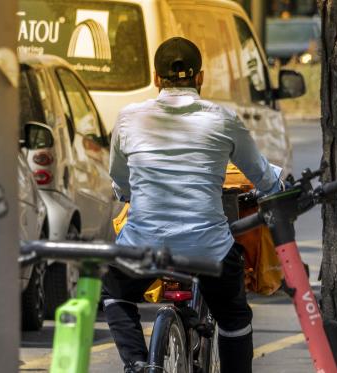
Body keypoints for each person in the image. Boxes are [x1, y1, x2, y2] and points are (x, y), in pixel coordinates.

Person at [104, 37, 281, 373]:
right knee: (234, 318)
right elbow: (262, 175)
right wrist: (276, 188)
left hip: (145, 246)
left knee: (115, 294)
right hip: (208, 251)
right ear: (200, 77)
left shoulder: (128, 119)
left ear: (156, 79)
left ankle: (139, 363)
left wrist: (127, 194)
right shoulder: (223, 119)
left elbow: (120, 181)